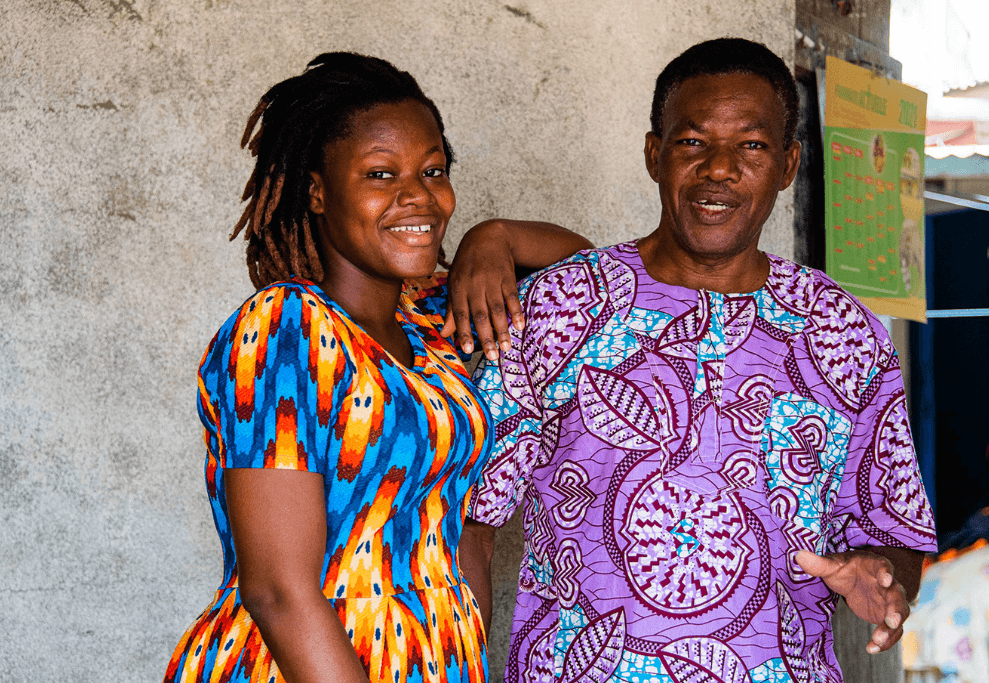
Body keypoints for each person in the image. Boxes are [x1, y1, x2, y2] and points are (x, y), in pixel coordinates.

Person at [459, 38, 937, 683]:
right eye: (692, 143)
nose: (719, 169)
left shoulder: (842, 330)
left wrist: (883, 578)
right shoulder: (566, 304)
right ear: (654, 154)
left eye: (752, 146)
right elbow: (471, 518)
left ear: (789, 164)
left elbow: (898, 531)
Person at [164, 52, 591, 683]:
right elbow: (278, 591)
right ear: (316, 192)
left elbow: (585, 273)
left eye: (432, 170)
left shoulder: (435, 319)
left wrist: (492, 237)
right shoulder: (286, 331)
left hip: (435, 654)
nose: (417, 196)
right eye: (380, 174)